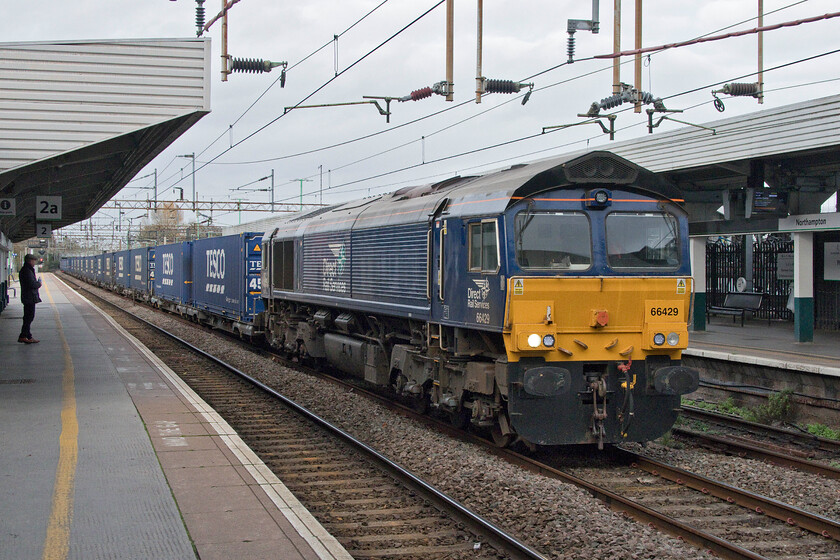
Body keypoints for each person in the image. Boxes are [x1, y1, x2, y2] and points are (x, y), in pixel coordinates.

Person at [18, 254, 42, 344]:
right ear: (30, 261)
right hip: (29, 297)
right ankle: (23, 336)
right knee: (29, 317)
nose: (34, 262)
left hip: (28, 296)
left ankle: (27, 336)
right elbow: (31, 284)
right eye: (34, 261)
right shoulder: (27, 271)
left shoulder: (27, 270)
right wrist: (39, 284)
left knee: (28, 317)